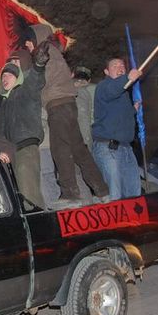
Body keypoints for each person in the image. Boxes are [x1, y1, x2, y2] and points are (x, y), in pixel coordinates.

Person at [30, 23, 109, 204]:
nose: (27, 44)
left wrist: (35, 66)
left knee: (60, 148)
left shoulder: (44, 51)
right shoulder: (56, 52)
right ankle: (102, 190)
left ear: (36, 37)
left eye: (29, 40)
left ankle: (70, 194)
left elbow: (41, 78)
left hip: (57, 105)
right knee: (79, 150)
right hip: (67, 104)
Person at [0, 46, 49, 209]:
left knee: (29, 194)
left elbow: (35, 80)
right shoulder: (0, 103)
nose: (5, 77)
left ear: (18, 77)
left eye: (10, 74)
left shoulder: (25, 91)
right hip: (10, 152)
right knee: (15, 198)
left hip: (25, 147)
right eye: (3, 75)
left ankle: (39, 225)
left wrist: (38, 65)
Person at [92, 58, 143, 200]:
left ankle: (133, 222)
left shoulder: (124, 94)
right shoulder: (104, 86)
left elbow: (118, 114)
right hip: (109, 149)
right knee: (115, 197)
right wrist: (128, 78)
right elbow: (112, 91)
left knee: (133, 194)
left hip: (127, 149)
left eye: (122, 65)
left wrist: (133, 110)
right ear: (107, 72)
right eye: (115, 66)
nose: (120, 67)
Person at [73, 66, 96, 149]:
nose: (80, 81)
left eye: (83, 79)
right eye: (78, 79)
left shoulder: (92, 90)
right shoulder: (68, 90)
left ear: (89, 81)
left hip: (87, 137)